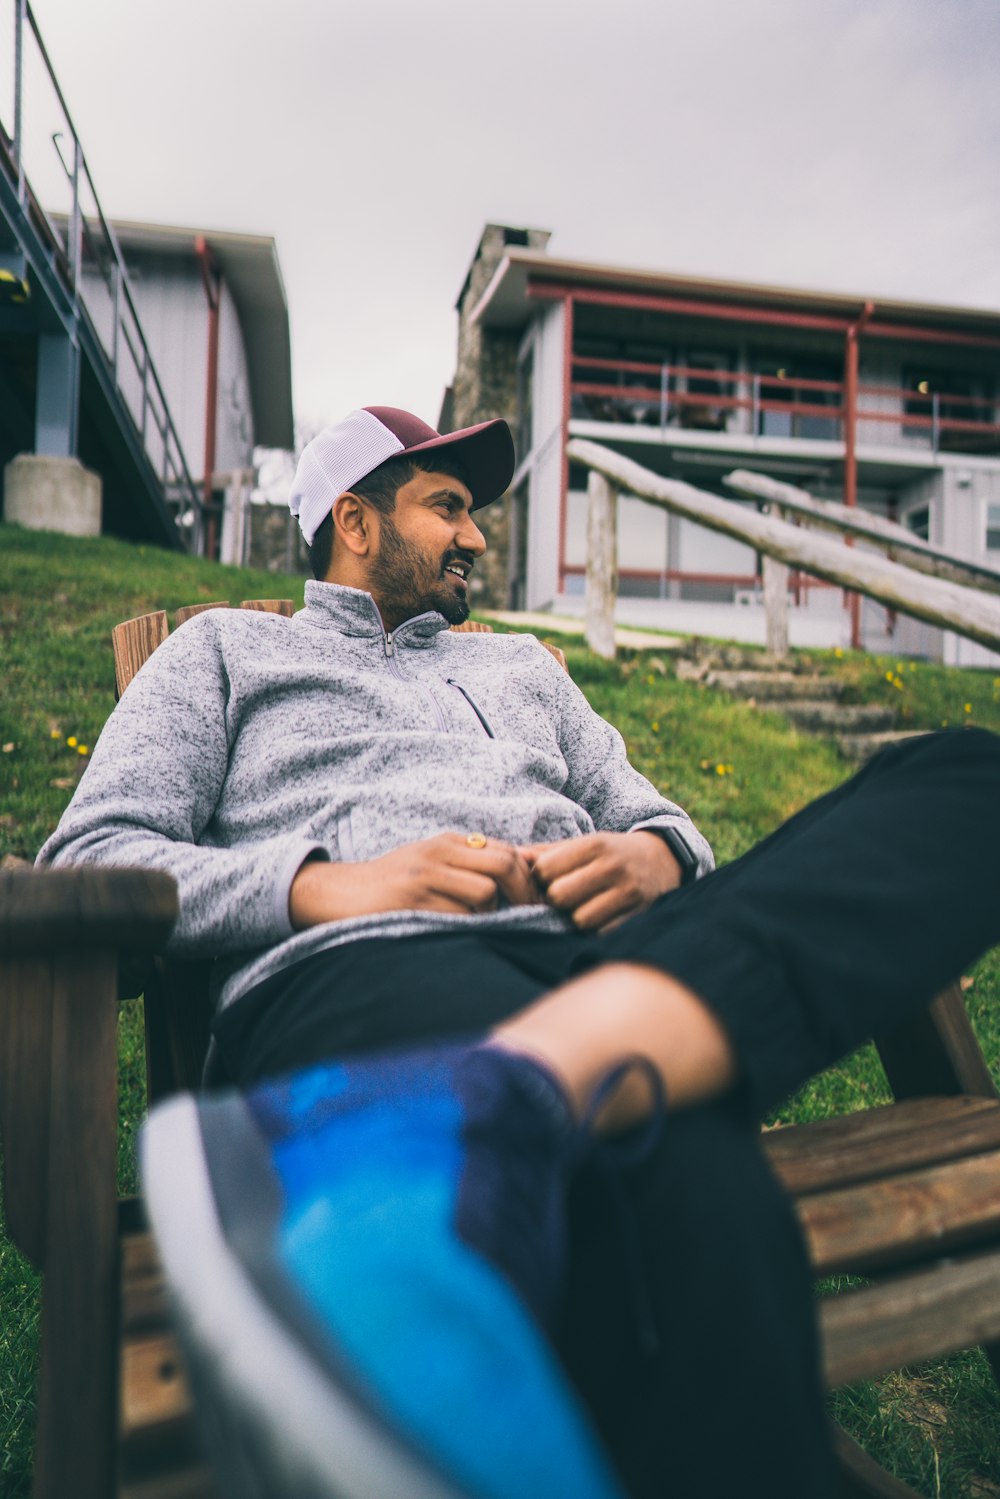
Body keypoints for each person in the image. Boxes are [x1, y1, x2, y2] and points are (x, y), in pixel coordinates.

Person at [39, 406, 1000, 1499]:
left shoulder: (524, 669)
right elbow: (87, 859)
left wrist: (655, 857)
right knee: (710, 1221)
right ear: (354, 519)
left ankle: (489, 1104)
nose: (477, 538)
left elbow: (662, 816)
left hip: (600, 970)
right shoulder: (220, 649)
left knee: (968, 779)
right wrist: (326, 886)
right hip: (371, 971)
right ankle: (480, 1108)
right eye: (447, 507)